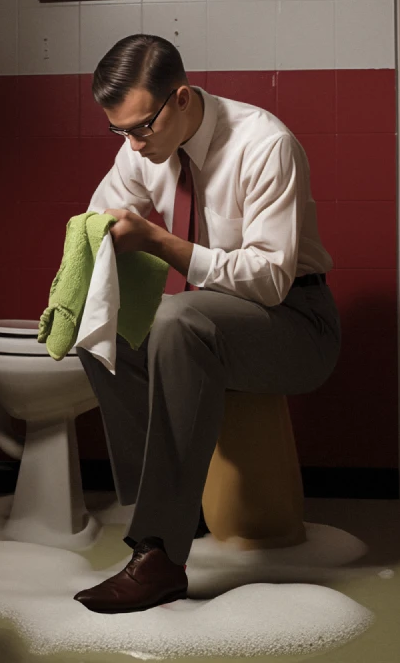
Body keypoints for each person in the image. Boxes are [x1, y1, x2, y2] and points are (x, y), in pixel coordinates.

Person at [72, 34, 341, 614]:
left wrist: (158, 241)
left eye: (141, 127)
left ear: (183, 99)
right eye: (118, 131)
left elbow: (270, 281)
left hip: (298, 323)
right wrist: (92, 254)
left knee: (178, 318)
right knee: (99, 334)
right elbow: (99, 217)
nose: (132, 144)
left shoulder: (265, 144)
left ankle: (159, 557)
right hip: (214, 323)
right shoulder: (141, 149)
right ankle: (169, 515)